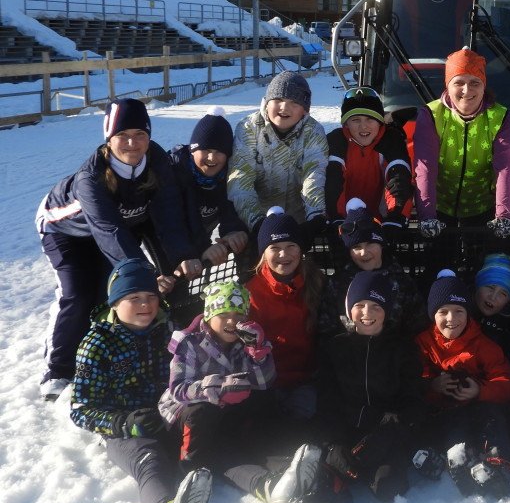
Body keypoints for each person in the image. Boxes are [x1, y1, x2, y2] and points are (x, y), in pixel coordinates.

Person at [37, 97, 200, 399]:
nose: (132, 143)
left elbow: (168, 215)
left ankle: (108, 356)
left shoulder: (158, 162)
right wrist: (144, 276)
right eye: (122, 135)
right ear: (108, 139)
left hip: (123, 225)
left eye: (140, 134)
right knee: (79, 293)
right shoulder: (91, 178)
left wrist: (183, 256)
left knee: (109, 294)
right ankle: (58, 369)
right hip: (66, 231)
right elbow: (108, 231)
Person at [70, 258, 213, 503]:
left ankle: (264, 480)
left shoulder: (167, 329)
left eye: (151, 296)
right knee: (150, 458)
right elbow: (80, 408)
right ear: (114, 303)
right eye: (134, 298)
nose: (145, 304)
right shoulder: (97, 344)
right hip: (125, 429)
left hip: (168, 412)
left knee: (208, 426)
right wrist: (123, 422)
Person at [157, 280, 324, 503]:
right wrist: (217, 387)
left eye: (238, 315)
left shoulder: (244, 340)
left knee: (262, 400)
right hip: (185, 415)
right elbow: (179, 389)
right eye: (223, 314)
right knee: (202, 412)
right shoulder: (190, 343)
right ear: (209, 315)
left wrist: (258, 352)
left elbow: (263, 382)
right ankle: (190, 469)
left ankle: (279, 470)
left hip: (226, 411)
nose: (231, 321)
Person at [317, 270, 427, 503]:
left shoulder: (402, 348)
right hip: (346, 432)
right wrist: (332, 443)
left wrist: (394, 429)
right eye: (360, 305)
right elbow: (327, 399)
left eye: (376, 306)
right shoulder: (336, 348)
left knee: (387, 488)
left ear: (387, 311)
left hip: (386, 435)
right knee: (331, 480)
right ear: (349, 309)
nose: (367, 313)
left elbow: (413, 396)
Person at [412, 270, 510, 497]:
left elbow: (507, 382)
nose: (451, 319)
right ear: (433, 315)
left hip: (478, 408)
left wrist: (480, 391)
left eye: (459, 311)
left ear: (468, 313)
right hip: (443, 411)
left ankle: (498, 465)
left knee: (492, 419)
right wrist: (434, 386)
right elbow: (414, 380)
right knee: (444, 424)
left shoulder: (483, 344)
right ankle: (455, 458)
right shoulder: (423, 344)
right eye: (443, 312)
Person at [413, 46, 510, 238]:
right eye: (459, 82)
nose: (467, 90)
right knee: (440, 255)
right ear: (448, 86)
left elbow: (506, 168)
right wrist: (427, 216)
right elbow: (425, 167)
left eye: (475, 82)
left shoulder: (501, 117)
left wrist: (504, 216)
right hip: (439, 207)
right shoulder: (430, 114)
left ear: (484, 86)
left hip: (483, 207)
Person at [228, 71, 329, 243]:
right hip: (256, 220)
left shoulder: (313, 132)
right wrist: (257, 222)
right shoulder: (248, 129)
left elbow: (314, 174)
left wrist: (315, 217)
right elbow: (240, 178)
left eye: (294, 103)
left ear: (304, 110)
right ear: (267, 102)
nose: (284, 108)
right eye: (278, 100)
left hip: (299, 221)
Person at [245, 208, 325, 420]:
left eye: (291, 246)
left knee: (306, 415)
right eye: (275, 248)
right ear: (264, 253)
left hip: (305, 378)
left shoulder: (315, 282)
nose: (284, 254)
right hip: (266, 382)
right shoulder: (251, 293)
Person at [321, 198, 425, 339]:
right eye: (357, 247)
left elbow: (417, 328)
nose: (364, 252)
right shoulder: (337, 284)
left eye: (370, 244)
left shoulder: (401, 282)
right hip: (350, 351)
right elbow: (327, 331)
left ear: (381, 245)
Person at [167, 107, 248, 275]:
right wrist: (201, 247)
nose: (211, 158)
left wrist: (233, 230)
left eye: (219, 152)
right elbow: (172, 220)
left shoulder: (228, 174)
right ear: (193, 150)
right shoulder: (175, 171)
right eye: (206, 150)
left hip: (201, 232)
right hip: (168, 239)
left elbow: (230, 204)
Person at [325, 86, 412, 227]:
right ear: (346, 124)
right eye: (355, 120)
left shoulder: (390, 140)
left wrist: (396, 217)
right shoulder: (337, 141)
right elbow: (332, 181)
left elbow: (399, 177)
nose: (363, 126)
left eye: (370, 119)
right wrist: (336, 218)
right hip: (345, 221)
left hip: (382, 221)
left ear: (380, 121)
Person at [470, 252, 510, 356]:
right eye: (490, 287)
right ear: (478, 286)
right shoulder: (457, 314)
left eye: (503, 293)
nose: (493, 297)